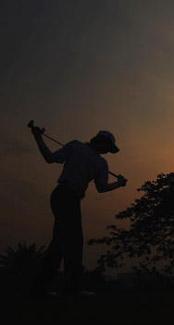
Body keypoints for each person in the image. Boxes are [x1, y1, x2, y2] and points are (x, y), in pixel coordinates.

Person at [29, 125, 127, 297]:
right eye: (108, 148)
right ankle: (70, 288)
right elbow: (50, 158)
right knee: (73, 241)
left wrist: (118, 184)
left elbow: (101, 188)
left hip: (67, 198)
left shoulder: (93, 157)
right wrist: (37, 137)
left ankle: (42, 286)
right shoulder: (84, 151)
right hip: (65, 196)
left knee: (60, 241)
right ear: (101, 143)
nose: (108, 152)